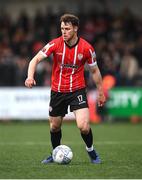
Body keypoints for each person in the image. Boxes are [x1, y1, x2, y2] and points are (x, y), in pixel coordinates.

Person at [25, 14, 106, 164]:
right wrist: (30, 76)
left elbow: (95, 71)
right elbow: (35, 59)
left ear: (75, 28)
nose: (64, 32)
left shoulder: (87, 48)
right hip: (58, 91)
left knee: (84, 126)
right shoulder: (55, 44)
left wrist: (101, 92)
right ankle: (56, 153)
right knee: (55, 126)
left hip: (77, 90)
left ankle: (91, 151)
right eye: (62, 28)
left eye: (67, 29)